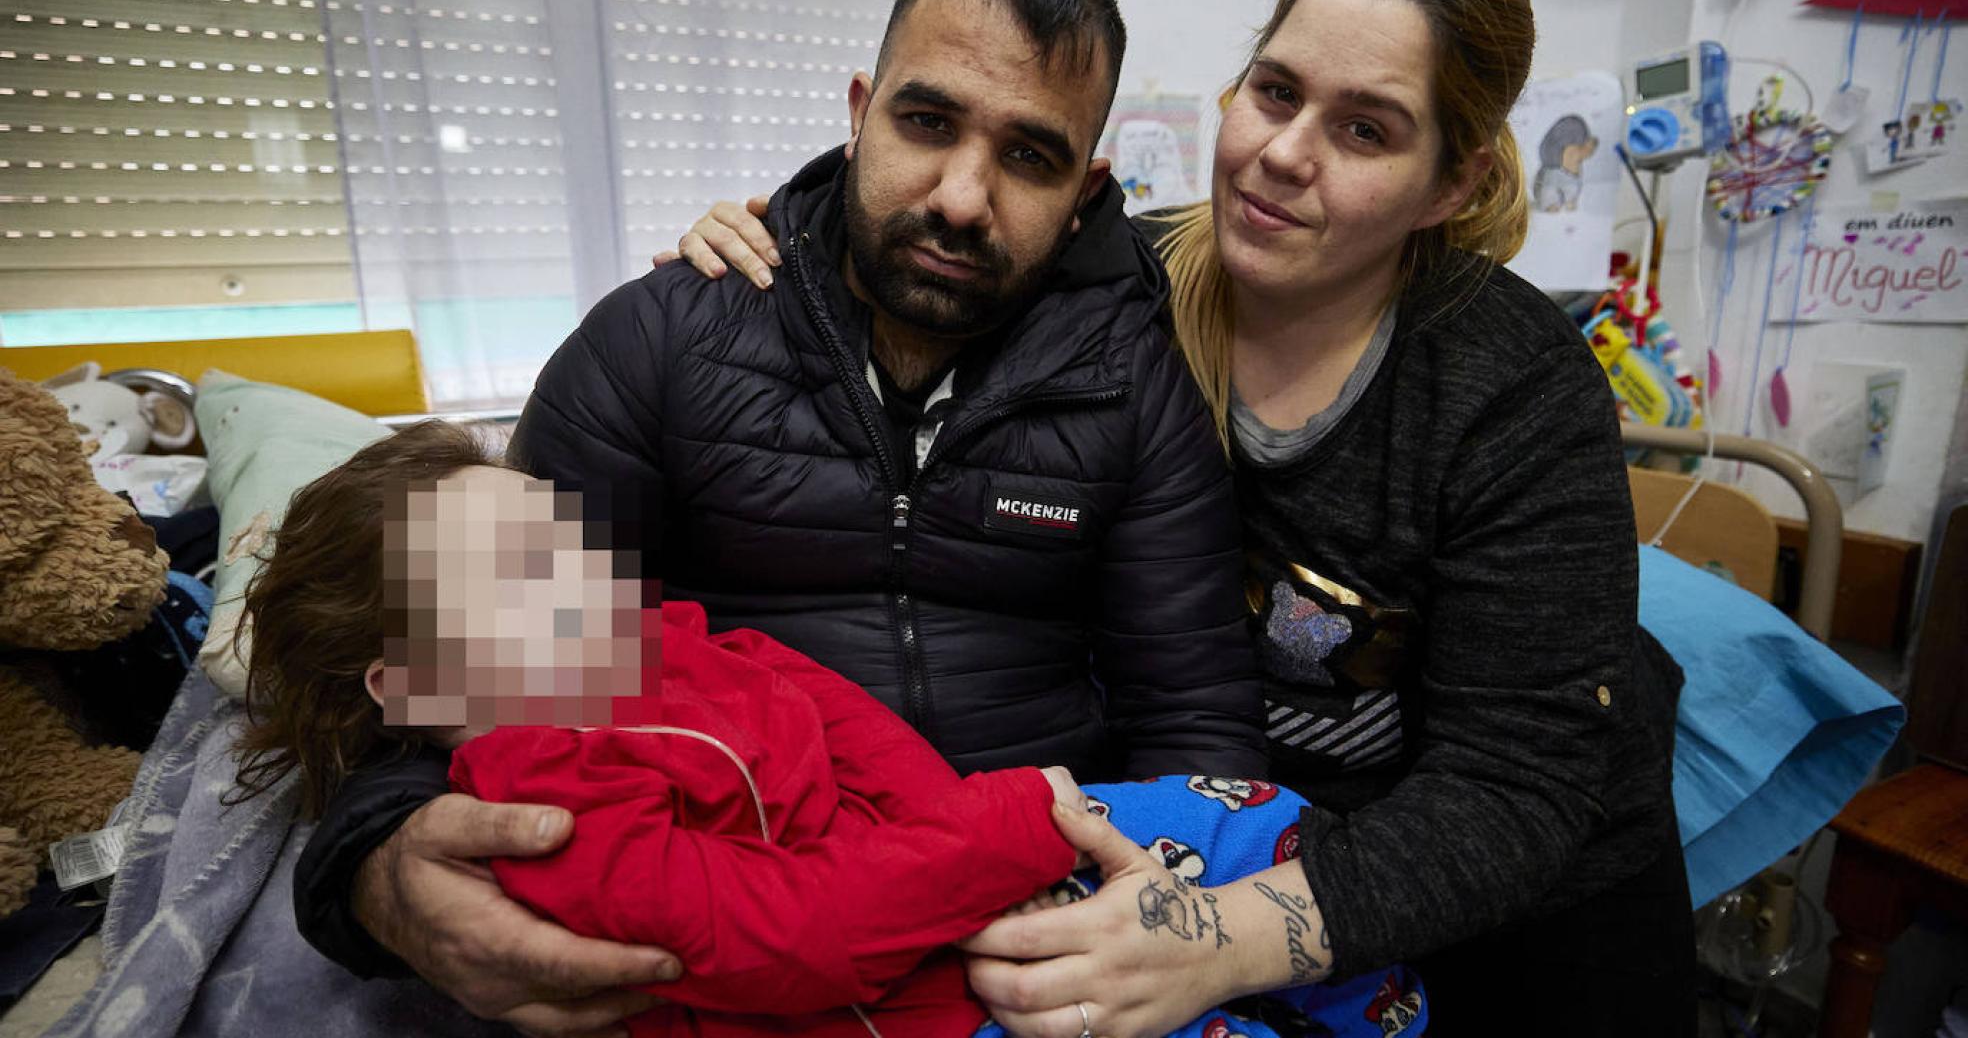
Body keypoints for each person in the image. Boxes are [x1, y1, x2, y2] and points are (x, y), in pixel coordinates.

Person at [670, 0, 1694, 1035]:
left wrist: (1216, 942)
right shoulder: (1116, 287)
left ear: (1452, 183)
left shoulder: (1513, 388)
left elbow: (1511, 793)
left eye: (1364, 129)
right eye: (1275, 90)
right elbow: (935, 226)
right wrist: (766, 244)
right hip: (1220, 841)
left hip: (1511, 911)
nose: (1286, 151)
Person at [287, 0, 1266, 1037]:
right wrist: (375, 874)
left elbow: (1197, 719)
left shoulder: (1133, 384)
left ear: (1087, 190)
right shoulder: (656, 343)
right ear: (859, 114)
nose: (959, 194)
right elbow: (450, 667)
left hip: (1054, 909)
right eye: (926, 120)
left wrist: (1160, 911)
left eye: (1029, 156)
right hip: (739, 913)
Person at [238, 422, 1422, 1038]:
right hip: (911, 1000)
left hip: (981, 839)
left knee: (1267, 824)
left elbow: (843, 725)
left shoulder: (675, 643)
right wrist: (1001, 847)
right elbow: (784, 932)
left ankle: (1380, 1003)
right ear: (413, 687)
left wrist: (985, 829)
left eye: (567, 542)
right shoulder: (539, 798)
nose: (581, 582)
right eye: (517, 577)